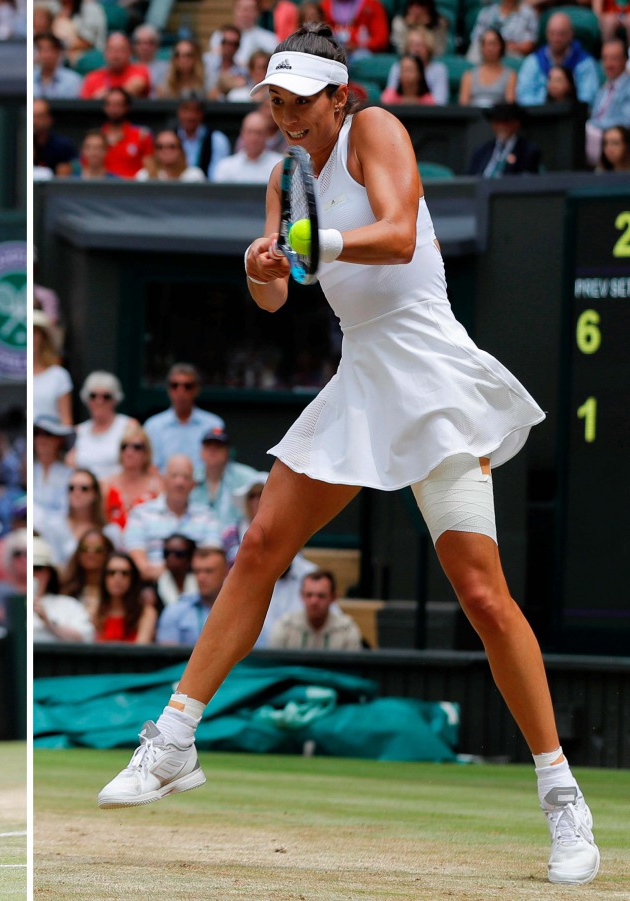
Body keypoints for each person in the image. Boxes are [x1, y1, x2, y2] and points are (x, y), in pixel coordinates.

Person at [99, 25, 600, 887]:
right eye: (275, 100)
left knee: (483, 596)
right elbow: (275, 295)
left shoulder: (377, 130)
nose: (286, 115)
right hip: (361, 377)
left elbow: (398, 235)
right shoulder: (283, 176)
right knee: (260, 546)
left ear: (340, 96)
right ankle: (175, 737)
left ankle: (562, 797)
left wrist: (314, 243)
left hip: (432, 377)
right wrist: (261, 263)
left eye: (300, 99)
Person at [122, 454, 222, 583]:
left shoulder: (208, 516)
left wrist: (170, 571)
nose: (179, 482)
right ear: (163, 479)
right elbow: (138, 563)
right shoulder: (140, 514)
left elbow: (212, 560)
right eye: (174, 476)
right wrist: (175, 572)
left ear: (193, 484)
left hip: (196, 586)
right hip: (152, 585)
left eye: (186, 477)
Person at [142, 362, 225, 475]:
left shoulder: (213, 424)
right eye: (174, 385)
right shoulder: (153, 426)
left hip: (203, 485)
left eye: (187, 386)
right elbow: (150, 467)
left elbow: (219, 464)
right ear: (168, 389)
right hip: (164, 485)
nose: (180, 391)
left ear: (196, 390)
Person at [516, 12, 600, 106]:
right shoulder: (533, 62)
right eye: (552, 33)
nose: (556, 38)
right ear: (546, 34)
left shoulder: (585, 63)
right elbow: (524, 97)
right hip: (539, 113)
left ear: (571, 34)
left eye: (561, 34)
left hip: (574, 113)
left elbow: (588, 98)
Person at [189, 426, 263, 531]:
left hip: (236, 536)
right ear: (201, 451)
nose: (213, 450)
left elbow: (266, 489)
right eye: (208, 446)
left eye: (218, 446)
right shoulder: (190, 477)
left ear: (228, 452)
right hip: (197, 536)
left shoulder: (245, 476)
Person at [39, 467, 118, 565]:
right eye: (71, 488)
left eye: (84, 488)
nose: (76, 493)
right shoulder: (54, 525)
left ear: (95, 493)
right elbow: (50, 563)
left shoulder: (110, 531)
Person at [66, 371, 137, 480]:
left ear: (115, 400)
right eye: (93, 396)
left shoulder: (129, 426)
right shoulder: (78, 431)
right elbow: (69, 465)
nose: (99, 401)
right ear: (86, 399)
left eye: (106, 396)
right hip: (85, 489)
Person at [268, 569, 363, 650]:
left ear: (333, 597)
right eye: (309, 595)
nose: (314, 601)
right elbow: (273, 663)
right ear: (301, 595)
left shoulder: (347, 629)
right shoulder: (285, 626)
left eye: (321, 596)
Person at [153, 546, 227, 645]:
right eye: (197, 571)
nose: (201, 577)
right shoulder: (174, 611)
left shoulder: (241, 609)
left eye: (208, 571)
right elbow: (167, 653)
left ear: (225, 572)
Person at [100, 422, 163, 530]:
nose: (129, 452)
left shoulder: (157, 484)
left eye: (136, 447)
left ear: (146, 453)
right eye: (124, 446)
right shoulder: (106, 484)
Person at [32, 536, 96, 643]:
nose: (31, 574)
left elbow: (86, 638)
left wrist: (49, 623)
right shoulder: (10, 604)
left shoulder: (68, 605)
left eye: (37, 568)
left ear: (49, 573)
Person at [95, 552, 158, 643]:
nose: (117, 578)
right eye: (111, 573)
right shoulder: (94, 611)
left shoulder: (146, 613)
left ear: (133, 579)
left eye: (125, 573)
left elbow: (141, 648)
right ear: (104, 578)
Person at [586, 37, 630, 166]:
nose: (608, 64)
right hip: (597, 139)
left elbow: (626, 121)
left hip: (617, 139)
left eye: (614, 59)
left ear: (625, 60)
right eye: (605, 58)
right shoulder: (603, 89)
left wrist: (594, 126)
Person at [467, 101, 542, 176]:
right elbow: (470, 177)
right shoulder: (481, 151)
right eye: (497, 121)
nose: (501, 126)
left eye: (506, 121)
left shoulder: (527, 151)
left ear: (516, 123)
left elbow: (526, 178)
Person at [210, 109, 285, 183]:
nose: (254, 138)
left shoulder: (280, 166)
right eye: (249, 132)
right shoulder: (225, 167)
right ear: (242, 134)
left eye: (258, 133)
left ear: (266, 135)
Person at [57, 526, 115, 614]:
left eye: (98, 549)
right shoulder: (65, 587)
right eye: (84, 549)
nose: (90, 553)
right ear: (78, 554)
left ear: (108, 553)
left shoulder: (116, 590)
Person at [383, 26, 448, 105]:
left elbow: (440, 103)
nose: (416, 50)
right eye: (412, 45)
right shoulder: (397, 66)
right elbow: (388, 100)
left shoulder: (438, 69)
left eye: (420, 45)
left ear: (428, 47)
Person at [80, 31, 151, 99]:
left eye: (120, 50)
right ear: (105, 53)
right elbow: (86, 103)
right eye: (111, 50)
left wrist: (103, 95)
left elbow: (135, 86)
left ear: (129, 53)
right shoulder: (92, 78)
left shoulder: (140, 70)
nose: (116, 56)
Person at [32, 414, 74, 528]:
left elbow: (66, 513)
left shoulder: (70, 475)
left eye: (47, 434)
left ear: (60, 439)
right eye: (36, 434)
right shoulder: (28, 470)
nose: (41, 439)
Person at [459, 27, 518, 108]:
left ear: (501, 46)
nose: (489, 48)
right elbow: (463, 106)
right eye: (485, 44)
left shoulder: (510, 75)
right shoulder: (469, 75)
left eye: (493, 44)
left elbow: (510, 105)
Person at [32, 309, 73, 423]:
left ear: (43, 338)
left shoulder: (58, 375)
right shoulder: (12, 376)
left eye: (34, 332)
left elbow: (66, 421)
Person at [174, 99, 230, 178]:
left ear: (202, 113)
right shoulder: (168, 138)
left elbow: (218, 176)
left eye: (196, 110)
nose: (190, 116)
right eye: (186, 109)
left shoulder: (217, 139)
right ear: (179, 112)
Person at [466, 0, 536, 63]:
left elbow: (529, 45)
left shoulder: (527, 13)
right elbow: (476, 37)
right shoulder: (488, 11)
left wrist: (504, 46)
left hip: (511, 52)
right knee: (475, 49)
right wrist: (490, 45)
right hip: (486, 49)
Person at [320, 0, 389, 58]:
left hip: (361, 53)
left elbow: (381, 40)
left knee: (359, 56)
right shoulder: (325, 5)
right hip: (332, 50)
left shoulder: (372, 5)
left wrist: (358, 46)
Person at [136, 129, 206, 182]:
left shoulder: (194, 176)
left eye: (172, 146)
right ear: (155, 151)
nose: (166, 151)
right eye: (160, 147)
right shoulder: (144, 176)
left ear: (181, 150)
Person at [33, 98, 79, 178]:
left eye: (39, 117)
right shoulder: (21, 143)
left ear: (49, 119)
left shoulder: (62, 146)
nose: (34, 121)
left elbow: (63, 179)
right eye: (32, 116)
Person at [34, 31, 83, 99]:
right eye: (40, 49)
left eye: (49, 50)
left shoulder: (73, 80)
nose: (45, 55)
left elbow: (72, 104)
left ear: (58, 52)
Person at [154, 532, 196, 608]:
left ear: (190, 557)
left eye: (179, 554)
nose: (171, 558)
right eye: (167, 553)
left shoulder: (202, 584)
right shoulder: (155, 590)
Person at [132, 23, 171, 89]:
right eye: (140, 42)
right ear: (134, 46)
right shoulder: (127, 66)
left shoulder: (167, 68)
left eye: (150, 43)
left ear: (157, 45)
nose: (145, 47)